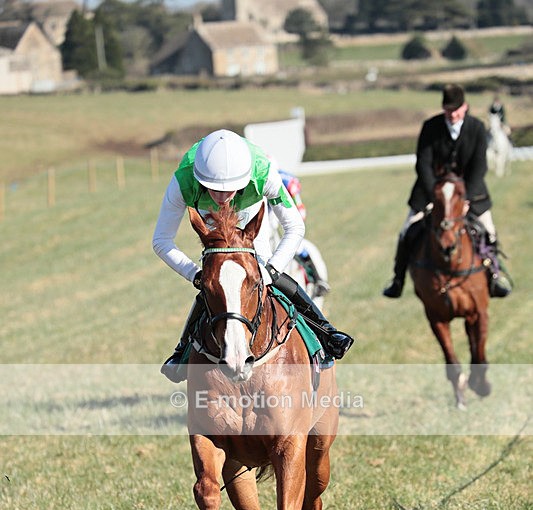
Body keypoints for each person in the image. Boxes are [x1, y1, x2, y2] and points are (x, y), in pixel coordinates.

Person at [153, 129, 353, 383]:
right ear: (200, 179)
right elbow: (161, 240)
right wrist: (196, 275)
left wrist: (271, 270)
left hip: (251, 213)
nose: (223, 198)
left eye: (230, 190)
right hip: (211, 226)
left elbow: (294, 227)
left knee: (260, 273)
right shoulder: (183, 180)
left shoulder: (263, 173)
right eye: (215, 190)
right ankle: (182, 350)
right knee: (217, 286)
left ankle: (326, 333)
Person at [382, 84, 512, 300]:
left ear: (465, 107)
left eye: (456, 111)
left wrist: (467, 198)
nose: (452, 115)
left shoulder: (477, 128)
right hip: (430, 192)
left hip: (470, 193)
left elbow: (479, 166)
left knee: (489, 230)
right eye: (448, 111)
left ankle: (495, 276)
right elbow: (423, 164)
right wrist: (436, 197)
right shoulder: (430, 127)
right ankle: (397, 280)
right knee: (406, 231)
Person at [272, 167, 330, 300]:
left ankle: (318, 279)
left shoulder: (285, 181)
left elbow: (299, 211)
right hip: (267, 219)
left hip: (285, 214)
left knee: (297, 245)